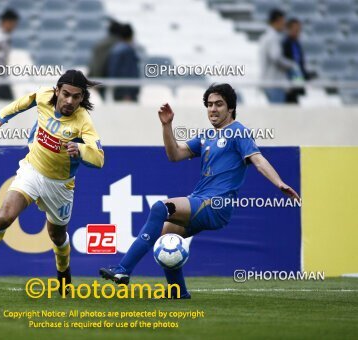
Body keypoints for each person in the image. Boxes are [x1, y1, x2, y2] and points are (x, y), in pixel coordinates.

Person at [99, 83, 300, 299]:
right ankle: (179, 292)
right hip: (201, 200)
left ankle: (123, 270)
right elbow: (174, 155)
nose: (213, 109)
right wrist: (167, 126)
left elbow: (258, 160)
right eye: (210, 105)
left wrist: (279, 183)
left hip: (216, 204)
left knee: (160, 208)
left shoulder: (238, 132)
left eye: (219, 104)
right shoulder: (206, 136)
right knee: (168, 235)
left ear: (230, 108)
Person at [0, 70, 105, 294]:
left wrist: (82, 150)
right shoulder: (44, 96)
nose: (70, 101)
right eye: (66, 94)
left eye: (76, 97)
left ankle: (63, 272)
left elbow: (99, 159)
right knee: (4, 217)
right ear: (57, 91)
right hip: (32, 171)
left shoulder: (83, 120)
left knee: (57, 236)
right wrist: (3, 114)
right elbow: (25, 101)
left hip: (60, 185)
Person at [258, 9, 299, 104]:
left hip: (269, 81)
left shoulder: (266, 36)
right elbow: (276, 57)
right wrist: (291, 64)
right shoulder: (273, 37)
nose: (284, 25)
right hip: (275, 83)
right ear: (278, 21)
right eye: (283, 22)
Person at [282, 18, 315, 103]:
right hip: (290, 82)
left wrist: (305, 75)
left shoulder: (296, 43)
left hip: (297, 81)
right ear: (289, 29)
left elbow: (299, 63)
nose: (297, 31)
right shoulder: (285, 44)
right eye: (295, 29)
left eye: (299, 29)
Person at [88, 19, 122, 98]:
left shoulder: (100, 44)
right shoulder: (120, 45)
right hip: (115, 82)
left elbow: (95, 64)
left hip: (101, 80)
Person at [106, 23, 140, 102]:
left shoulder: (115, 49)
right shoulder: (128, 51)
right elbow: (129, 73)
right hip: (126, 94)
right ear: (131, 36)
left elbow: (112, 71)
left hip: (117, 90)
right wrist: (128, 93)